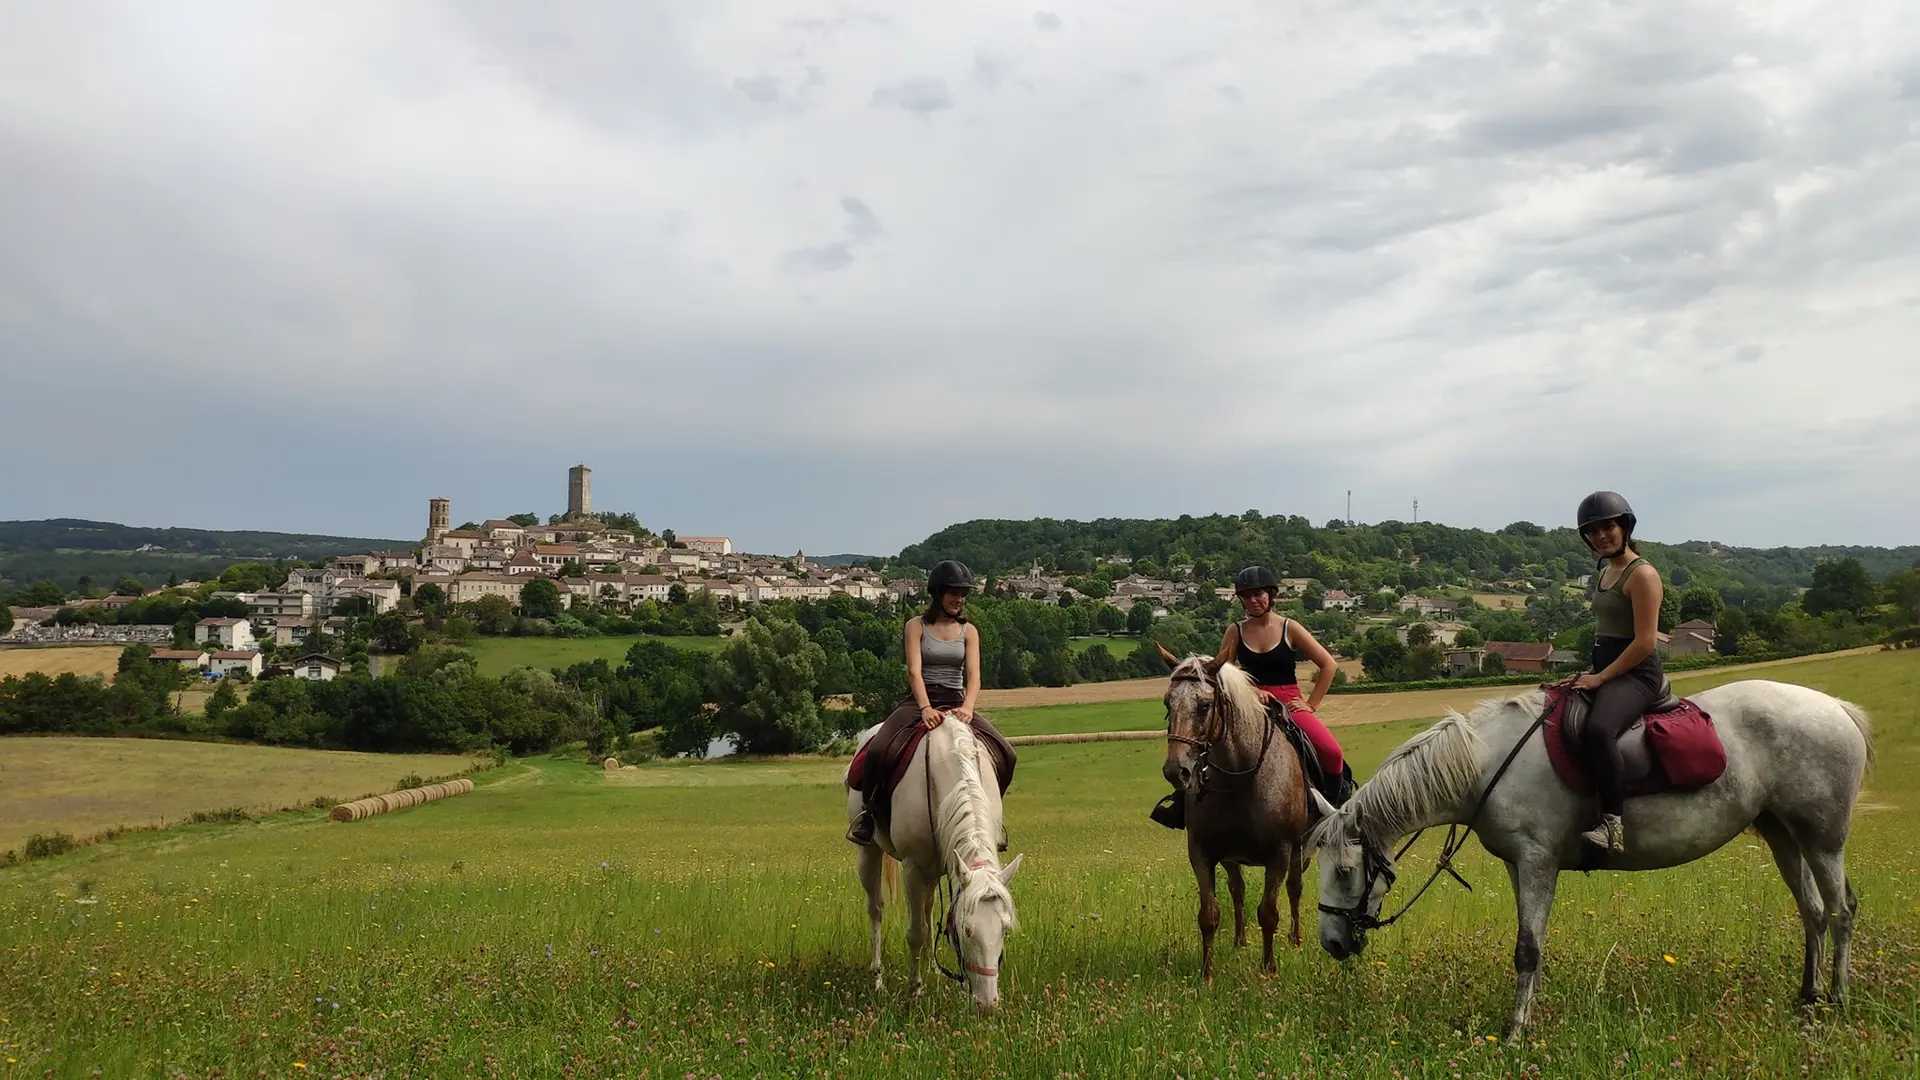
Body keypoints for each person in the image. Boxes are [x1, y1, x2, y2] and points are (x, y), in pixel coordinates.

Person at [1150, 565, 1349, 829]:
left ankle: (1332, 814)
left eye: (1259, 594)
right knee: (1205, 746)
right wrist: (1254, 691)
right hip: (1246, 704)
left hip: (1288, 704)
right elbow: (1221, 675)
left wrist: (1311, 704)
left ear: (1270, 595)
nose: (1253, 600)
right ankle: (1182, 805)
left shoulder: (1290, 628)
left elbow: (1329, 665)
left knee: (1332, 753)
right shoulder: (1235, 631)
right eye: (1247, 596)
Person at [845, 560, 1016, 846]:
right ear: (938, 593)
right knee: (877, 751)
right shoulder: (916, 626)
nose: (959, 599)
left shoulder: (969, 631)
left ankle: (990, 821)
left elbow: (974, 676)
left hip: (957, 702)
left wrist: (968, 707)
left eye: (963, 594)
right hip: (920, 701)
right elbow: (914, 670)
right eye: (953, 593)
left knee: (1007, 755)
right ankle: (870, 816)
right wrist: (925, 708)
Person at [1568, 491, 1666, 854]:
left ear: (1624, 527)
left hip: (1637, 673)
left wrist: (1601, 678)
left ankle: (1613, 824)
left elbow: (1644, 643)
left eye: (1608, 527)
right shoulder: (1604, 571)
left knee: (1598, 730)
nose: (1601, 536)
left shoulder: (1642, 575)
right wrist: (1589, 671)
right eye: (1592, 531)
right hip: (1605, 665)